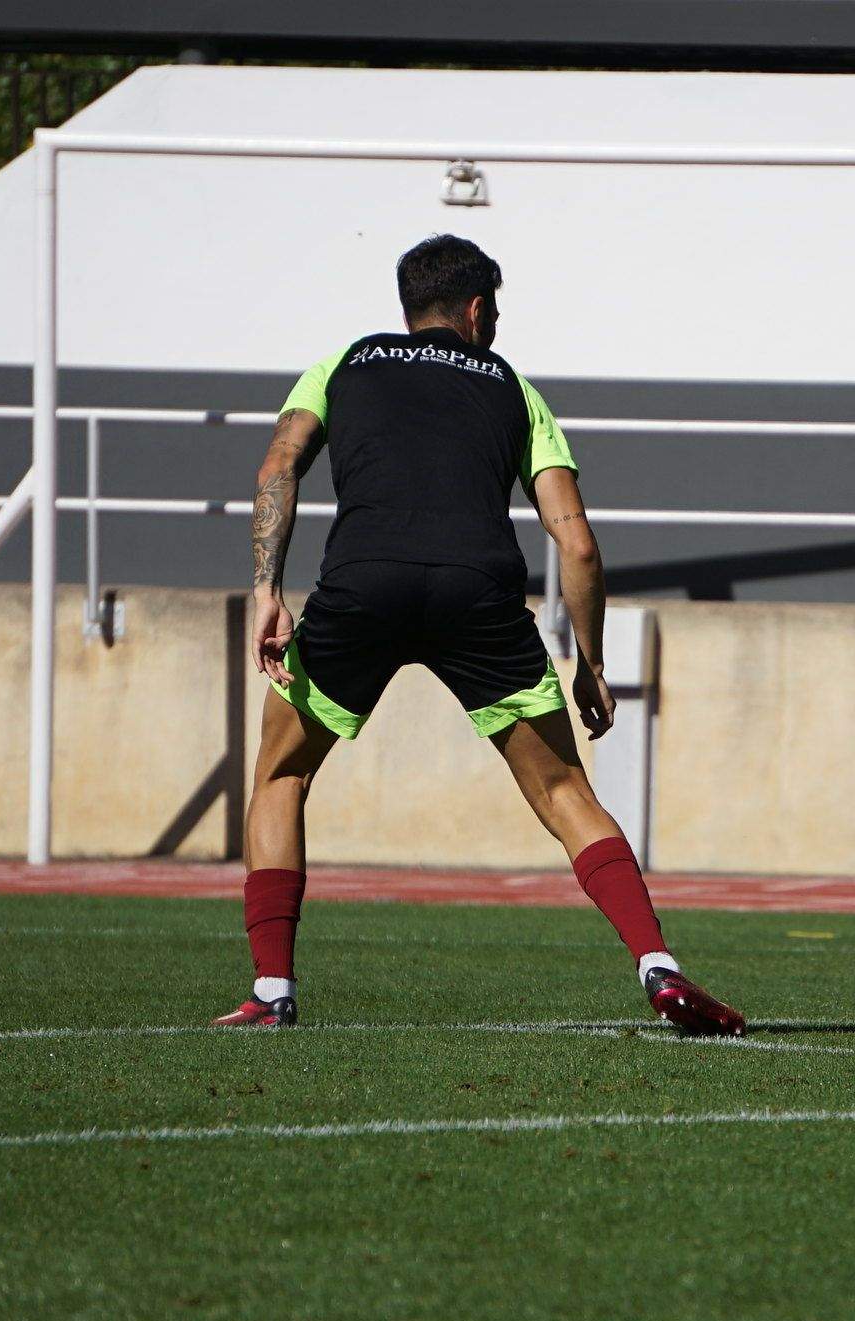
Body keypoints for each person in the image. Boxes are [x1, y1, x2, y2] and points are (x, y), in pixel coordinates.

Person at [215, 234, 746, 1033]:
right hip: (478, 593)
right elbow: (578, 544)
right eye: (493, 310)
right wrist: (592, 662)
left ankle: (272, 992)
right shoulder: (511, 387)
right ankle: (660, 967)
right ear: (474, 309)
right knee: (565, 790)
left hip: (365, 582)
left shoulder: (343, 366)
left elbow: (278, 466)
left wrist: (266, 590)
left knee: (281, 777)